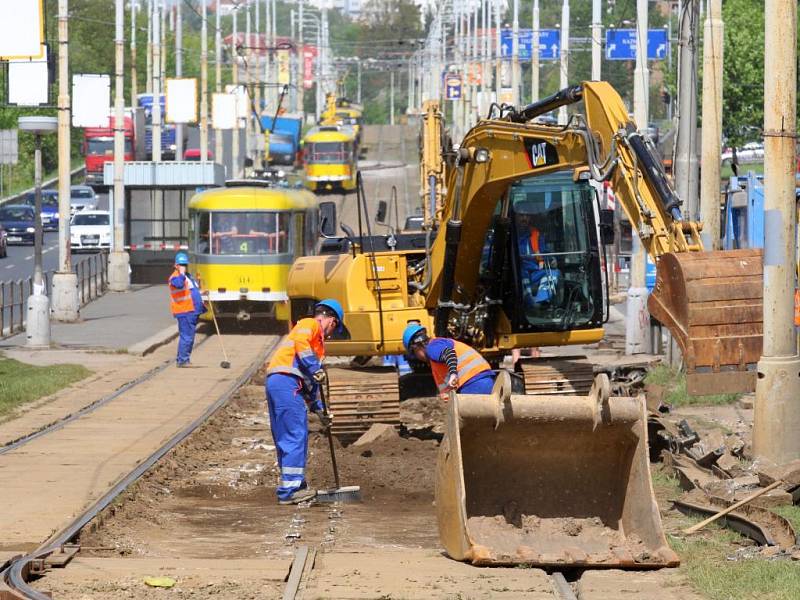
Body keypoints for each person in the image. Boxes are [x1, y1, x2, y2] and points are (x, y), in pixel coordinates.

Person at [265, 299, 344, 505]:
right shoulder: (310, 324)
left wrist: (319, 411)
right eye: (334, 328)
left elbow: (310, 385)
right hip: (287, 383)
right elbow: (302, 348)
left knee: (285, 435)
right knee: (295, 434)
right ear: (331, 320)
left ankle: (294, 485)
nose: (331, 333)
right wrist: (314, 367)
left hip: (281, 383)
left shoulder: (316, 343)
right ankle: (290, 490)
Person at [402, 324, 495, 399]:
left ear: (417, 346)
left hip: (472, 384)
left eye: (414, 353)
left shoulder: (432, 347)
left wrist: (453, 374)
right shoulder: (436, 347)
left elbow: (449, 354)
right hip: (479, 381)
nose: (417, 357)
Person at [168, 252, 207, 367]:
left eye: (185, 265)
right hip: (184, 311)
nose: (184, 267)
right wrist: (181, 273)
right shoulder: (175, 277)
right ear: (176, 265)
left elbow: (191, 291)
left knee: (189, 337)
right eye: (181, 264)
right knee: (187, 337)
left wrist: (202, 293)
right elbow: (179, 285)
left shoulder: (188, 276)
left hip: (192, 311)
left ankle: (184, 359)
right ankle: (183, 360)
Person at [517, 214, 560, 308]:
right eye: (521, 215)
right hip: (518, 271)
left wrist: (552, 259)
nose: (524, 218)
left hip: (535, 271)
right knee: (521, 274)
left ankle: (542, 302)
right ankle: (528, 303)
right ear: (514, 216)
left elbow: (544, 252)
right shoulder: (509, 234)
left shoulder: (536, 234)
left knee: (553, 273)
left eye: (526, 216)